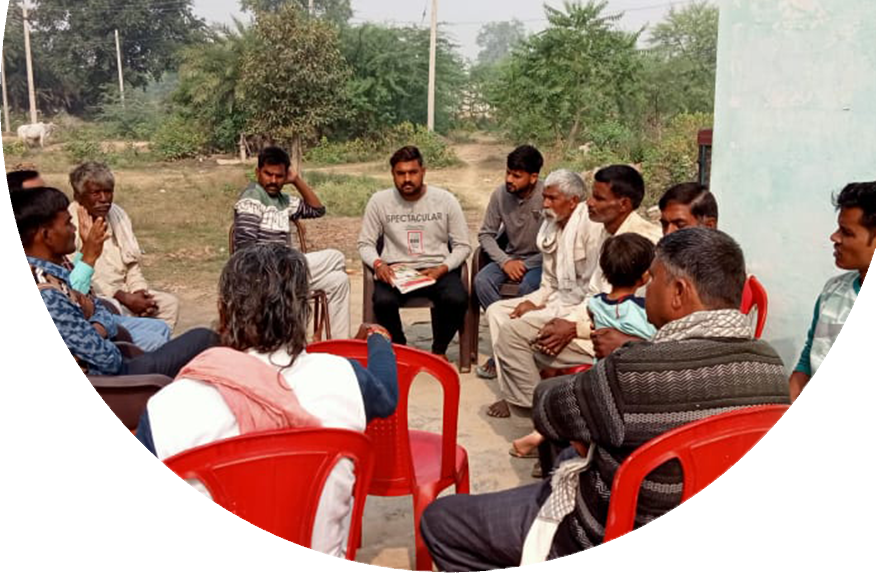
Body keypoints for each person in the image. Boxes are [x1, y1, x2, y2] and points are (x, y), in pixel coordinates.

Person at [421, 227, 790, 573]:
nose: (647, 291)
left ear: (679, 292)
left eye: (654, 280)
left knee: (442, 520)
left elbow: (547, 411)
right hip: (705, 550)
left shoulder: (637, 371)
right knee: (571, 456)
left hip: (606, 549)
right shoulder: (771, 369)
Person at [88, 243, 399, 573]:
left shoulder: (173, 407)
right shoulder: (344, 378)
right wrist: (379, 340)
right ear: (302, 313)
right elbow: (387, 394)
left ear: (224, 314)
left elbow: (112, 554)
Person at [743, 182, 876, 573]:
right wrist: (787, 406)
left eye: (847, 232)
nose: (834, 238)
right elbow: (806, 362)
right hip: (809, 430)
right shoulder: (834, 291)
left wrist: (812, 435)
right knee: (726, 475)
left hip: (860, 452)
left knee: (751, 514)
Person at [0, 186, 216, 377]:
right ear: (45, 235)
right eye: (67, 223)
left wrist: (93, 321)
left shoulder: (21, 274)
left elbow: (94, 308)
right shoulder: (44, 295)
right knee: (205, 338)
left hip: (80, 378)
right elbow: (109, 359)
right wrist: (100, 324)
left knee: (163, 331)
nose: (74, 229)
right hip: (100, 387)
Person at [512, 233, 658, 458]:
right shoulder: (642, 310)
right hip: (626, 379)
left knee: (569, 399)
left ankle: (540, 435)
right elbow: (654, 339)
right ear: (644, 277)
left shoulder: (596, 303)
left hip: (597, 371)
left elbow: (591, 323)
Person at [1, 169, 171, 352]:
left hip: (94, 318)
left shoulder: (43, 249)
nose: (46, 198)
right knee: (168, 342)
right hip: (88, 344)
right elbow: (73, 302)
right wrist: (89, 255)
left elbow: (81, 292)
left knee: (161, 326)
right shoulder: (20, 259)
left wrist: (135, 290)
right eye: (36, 195)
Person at [485, 169, 602, 419]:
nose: (545, 204)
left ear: (573, 202)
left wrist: (561, 314)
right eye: (545, 197)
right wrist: (534, 302)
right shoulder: (549, 225)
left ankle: (527, 401)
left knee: (519, 327)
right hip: (556, 298)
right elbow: (549, 282)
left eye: (552, 198)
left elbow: (595, 290)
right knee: (497, 311)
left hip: (579, 306)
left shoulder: (591, 228)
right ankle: (513, 390)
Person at [358, 145, 472, 359]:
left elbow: (463, 245)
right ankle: (401, 348)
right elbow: (365, 243)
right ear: (393, 174)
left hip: (436, 270)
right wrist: (378, 264)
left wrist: (442, 268)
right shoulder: (379, 201)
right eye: (401, 173)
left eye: (413, 172)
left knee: (457, 299)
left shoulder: (445, 200)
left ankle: (439, 350)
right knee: (382, 302)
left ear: (423, 172)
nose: (407, 179)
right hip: (396, 271)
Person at [232, 146, 351, 338]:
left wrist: (296, 180)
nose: (273, 180)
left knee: (339, 281)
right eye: (268, 174)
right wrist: (273, 270)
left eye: (279, 176)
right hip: (266, 275)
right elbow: (245, 250)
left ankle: (338, 345)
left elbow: (317, 210)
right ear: (257, 172)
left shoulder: (283, 201)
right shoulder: (252, 198)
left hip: (288, 272)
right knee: (337, 257)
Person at [69, 162, 180, 331]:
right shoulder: (69, 225)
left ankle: (154, 353)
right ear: (79, 195)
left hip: (126, 290)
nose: (104, 199)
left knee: (168, 304)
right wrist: (123, 297)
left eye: (108, 191)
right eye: (95, 193)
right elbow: (77, 274)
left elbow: (131, 262)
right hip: (96, 297)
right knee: (116, 311)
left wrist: (139, 291)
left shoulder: (117, 215)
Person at [474, 145, 545, 379]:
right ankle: (507, 343)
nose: (509, 180)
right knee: (482, 281)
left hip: (541, 261)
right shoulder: (500, 195)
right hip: (511, 257)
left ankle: (506, 353)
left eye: (516, 175)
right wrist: (505, 262)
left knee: (528, 289)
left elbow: (557, 242)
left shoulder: (548, 196)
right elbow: (486, 234)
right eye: (508, 173)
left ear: (533, 177)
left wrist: (527, 264)